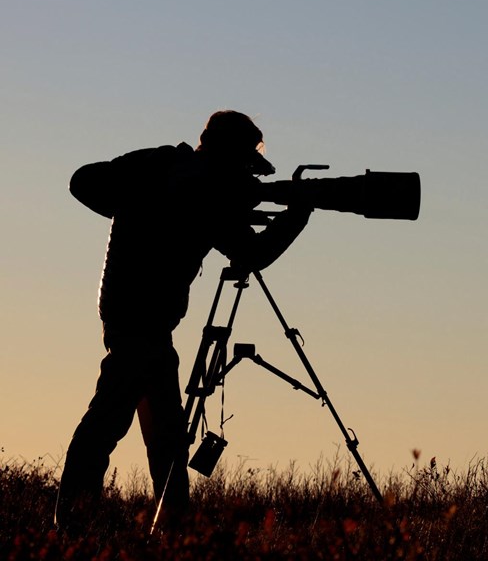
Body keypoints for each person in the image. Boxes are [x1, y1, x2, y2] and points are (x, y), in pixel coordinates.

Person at [55, 110, 312, 531]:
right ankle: (72, 527)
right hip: (137, 321)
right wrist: (296, 216)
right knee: (109, 422)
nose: (246, 176)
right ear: (228, 158)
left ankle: (172, 530)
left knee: (167, 437)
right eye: (243, 166)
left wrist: (186, 207)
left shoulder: (185, 182)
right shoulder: (176, 177)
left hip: (148, 326)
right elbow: (253, 255)